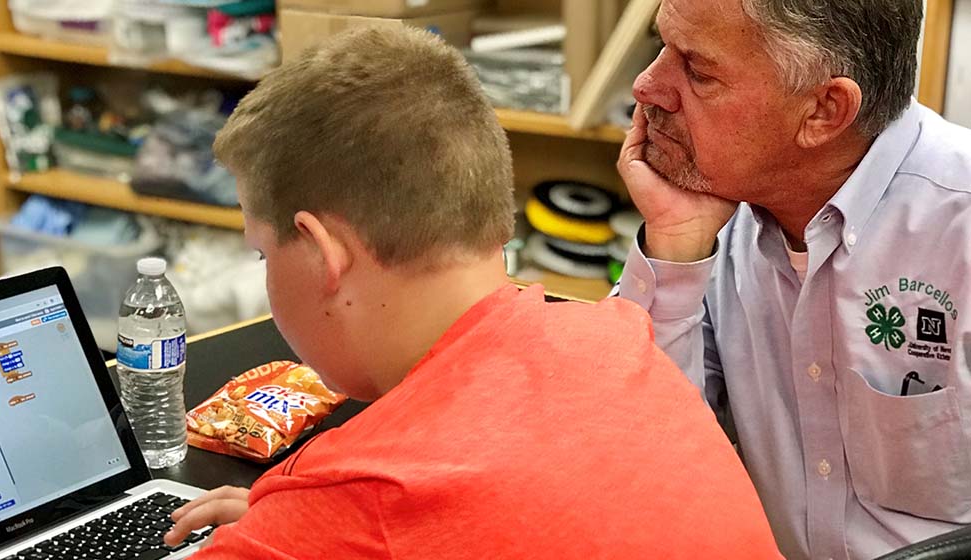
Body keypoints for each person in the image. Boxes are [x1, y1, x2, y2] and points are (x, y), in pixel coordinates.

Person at [161, 25, 781, 559]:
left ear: (325, 254)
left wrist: (303, 525)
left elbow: (386, 504)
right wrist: (301, 516)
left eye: (262, 253)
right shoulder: (616, 339)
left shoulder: (366, 494)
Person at [616, 0, 971, 558]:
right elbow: (642, 457)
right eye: (660, 48)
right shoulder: (723, 211)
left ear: (825, 111)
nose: (646, 86)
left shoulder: (960, 228)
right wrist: (675, 242)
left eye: (699, 71)